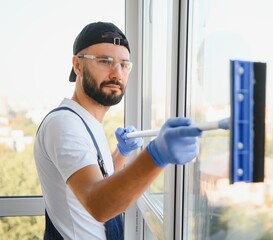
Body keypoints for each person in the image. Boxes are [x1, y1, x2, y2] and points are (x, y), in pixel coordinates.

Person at [34, 21, 202, 240]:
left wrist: (120, 154)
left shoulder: (85, 122)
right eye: (105, 61)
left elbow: (97, 179)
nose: (117, 73)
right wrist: (156, 155)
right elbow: (99, 205)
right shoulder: (65, 123)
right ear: (77, 65)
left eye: (124, 65)